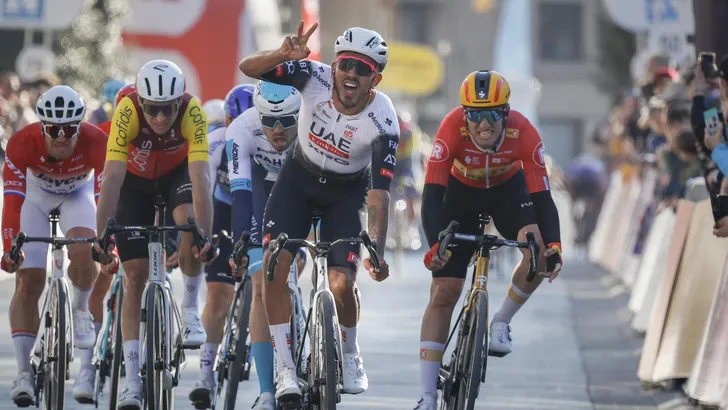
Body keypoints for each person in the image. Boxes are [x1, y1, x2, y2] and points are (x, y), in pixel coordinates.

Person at [238, 22, 398, 405]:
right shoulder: (313, 76)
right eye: (346, 64)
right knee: (274, 267)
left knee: (342, 284)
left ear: (375, 79)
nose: (351, 74)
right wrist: (281, 55)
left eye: (362, 69)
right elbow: (248, 68)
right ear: (335, 64)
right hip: (298, 183)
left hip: (345, 194)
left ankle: (350, 352)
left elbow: (379, 193)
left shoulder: (384, 119)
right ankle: (285, 367)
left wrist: (376, 249)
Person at [414, 70, 564, 410]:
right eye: (475, 115)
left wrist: (555, 245)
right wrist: (436, 245)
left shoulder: (524, 131)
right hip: (460, 195)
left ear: (506, 113)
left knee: (538, 251)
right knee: (445, 291)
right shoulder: (451, 127)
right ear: (464, 114)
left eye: (493, 114)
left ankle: (501, 321)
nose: (484, 124)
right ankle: (427, 396)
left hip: (508, 192)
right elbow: (432, 195)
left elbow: (543, 198)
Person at [92, 59, 216, 410]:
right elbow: (111, 179)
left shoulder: (193, 111)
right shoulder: (127, 109)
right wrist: (103, 237)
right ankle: (132, 382)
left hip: (177, 177)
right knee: (134, 276)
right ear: (141, 101)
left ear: (179, 102)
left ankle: (190, 310)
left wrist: (205, 237)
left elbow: (201, 178)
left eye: (168, 109)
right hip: (134, 181)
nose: (160, 117)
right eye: (152, 109)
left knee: (189, 222)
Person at [1, 85, 111, 406]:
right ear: (41, 127)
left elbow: (105, 200)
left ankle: (80, 308)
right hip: (35, 199)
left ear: (80, 126)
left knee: (85, 251)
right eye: (53, 129)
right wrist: (9, 248)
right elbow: (12, 202)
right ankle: (24, 372)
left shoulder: (97, 142)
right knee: (29, 281)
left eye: (69, 129)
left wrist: (109, 244)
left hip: (78, 196)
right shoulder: (21, 143)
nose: (61, 137)